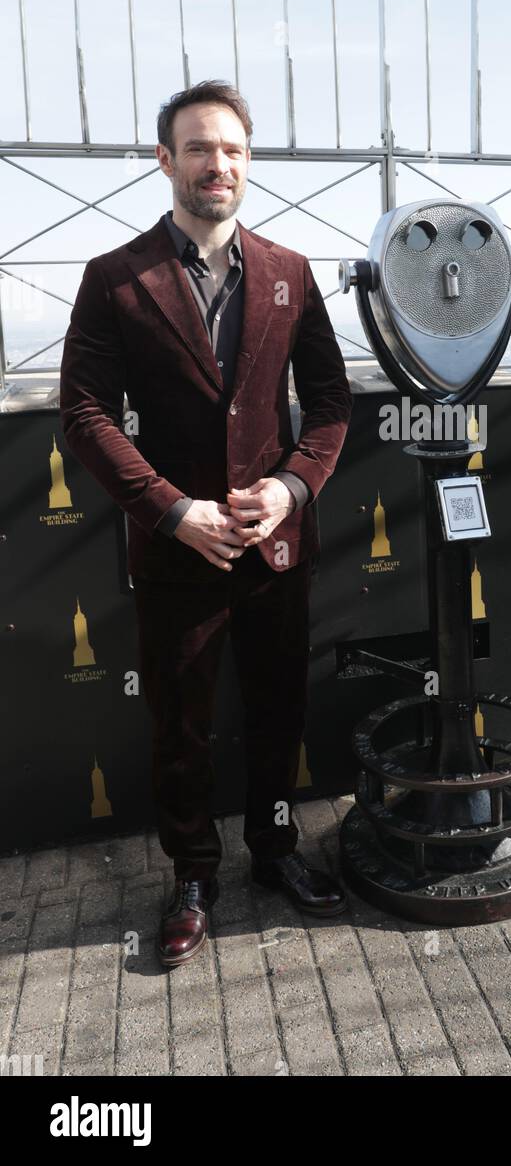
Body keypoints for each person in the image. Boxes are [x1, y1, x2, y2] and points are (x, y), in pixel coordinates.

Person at [60, 81, 353, 965]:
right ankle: (192, 876)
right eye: (196, 148)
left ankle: (273, 850)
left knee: (276, 712)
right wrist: (172, 510)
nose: (215, 163)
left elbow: (333, 404)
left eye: (229, 147)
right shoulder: (116, 279)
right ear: (165, 160)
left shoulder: (291, 273)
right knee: (179, 725)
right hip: (176, 551)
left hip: (275, 546)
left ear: (247, 159)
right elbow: (82, 412)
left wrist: (291, 492)